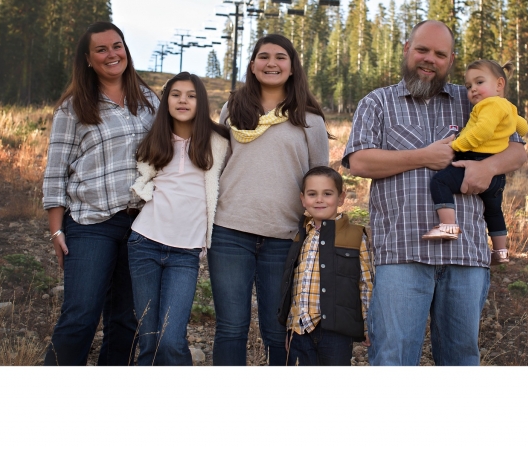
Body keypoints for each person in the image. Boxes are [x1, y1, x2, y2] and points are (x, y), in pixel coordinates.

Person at [342, 20, 527, 366]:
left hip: (466, 253)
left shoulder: (472, 98)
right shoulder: (378, 102)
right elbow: (359, 162)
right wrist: (423, 157)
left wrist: (487, 168)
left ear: (451, 59)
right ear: (406, 49)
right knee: (393, 357)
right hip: (402, 251)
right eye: (422, 50)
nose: (430, 59)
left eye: (440, 54)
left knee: (460, 359)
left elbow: (518, 151)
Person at [207, 34, 330, 366]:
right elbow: (216, 167)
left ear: (292, 68)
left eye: (280, 57)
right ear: (252, 65)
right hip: (230, 231)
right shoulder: (232, 109)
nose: (271, 63)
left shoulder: (309, 119)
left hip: (284, 237)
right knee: (231, 328)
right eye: (263, 56)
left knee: (278, 332)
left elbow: (322, 180)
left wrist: (320, 234)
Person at [42, 21, 159, 366]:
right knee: (80, 317)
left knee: (125, 321)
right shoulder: (74, 107)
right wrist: (56, 229)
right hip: (92, 222)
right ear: (88, 59)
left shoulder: (149, 100)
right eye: (102, 49)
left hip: (141, 225)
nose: (112, 54)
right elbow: (55, 171)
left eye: (117, 46)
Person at [127, 72, 229, 365]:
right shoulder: (155, 139)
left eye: (191, 95)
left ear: (201, 101)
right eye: (176, 94)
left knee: (171, 340)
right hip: (144, 243)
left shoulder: (218, 141)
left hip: (185, 253)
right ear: (166, 100)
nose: (183, 100)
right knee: (147, 340)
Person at [423, 59, 528, 266]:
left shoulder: (488, 105)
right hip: (496, 175)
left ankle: (448, 226)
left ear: (499, 85)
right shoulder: (508, 107)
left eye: (480, 82)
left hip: (476, 160)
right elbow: (523, 128)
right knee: (493, 211)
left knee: (440, 182)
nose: (473, 90)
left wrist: (455, 146)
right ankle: (501, 251)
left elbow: (482, 132)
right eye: (469, 86)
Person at [277, 166, 374, 366]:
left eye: (327, 194)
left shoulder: (355, 236)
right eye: (312, 194)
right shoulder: (300, 236)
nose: (319, 199)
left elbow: (366, 284)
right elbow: (293, 285)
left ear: (341, 198)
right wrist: (289, 327)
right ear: (303, 199)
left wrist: (369, 326)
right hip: (300, 329)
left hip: (335, 331)